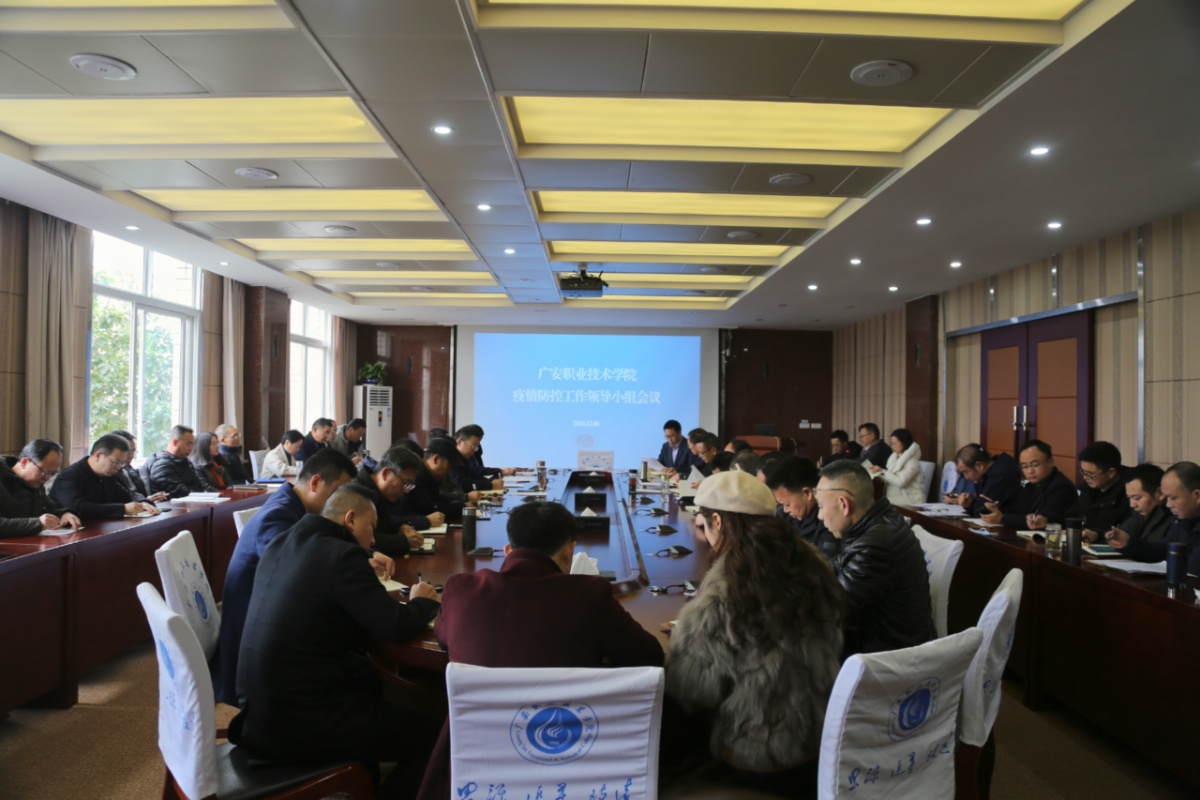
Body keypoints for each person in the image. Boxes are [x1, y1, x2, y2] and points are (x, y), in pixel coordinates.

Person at [419, 501, 663, 800]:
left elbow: (444, 637)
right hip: (568, 767)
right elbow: (649, 657)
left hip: (474, 775)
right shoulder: (589, 595)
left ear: (507, 550)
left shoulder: (460, 589)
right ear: (569, 552)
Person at [229, 485, 440, 799]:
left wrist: (359, 566)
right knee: (436, 736)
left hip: (258, 714)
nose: (373, 541)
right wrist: (422, 601)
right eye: (371, 528)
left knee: (382, 692)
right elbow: (393, 625)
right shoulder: (342, 556)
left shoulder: (283, 542)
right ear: (350, 519)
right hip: (302, 722)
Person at [666, 471, 842, 789]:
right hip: (819, 738)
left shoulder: (727, 587)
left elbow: (690, 689)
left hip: (753, 752)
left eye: (704, 520)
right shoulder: (814, 563)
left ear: (717, 521)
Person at [217, 448, 364, 706]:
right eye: (338, 494)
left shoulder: (296, 508)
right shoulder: (278, 515)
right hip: (254, 645)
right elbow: (296, 572)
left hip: (271, 625)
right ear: (315, 482)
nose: (343, 504)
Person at [815, 460, 936, 656]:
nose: (820, 516)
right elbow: (837, 565)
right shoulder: (881, 519)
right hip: (885, 642)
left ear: (844, 504)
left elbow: (833, 614)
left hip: (892, 658)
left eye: (821, 507)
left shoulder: (875, 545)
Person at [1108, 461, 1200, 576]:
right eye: (1167, 498)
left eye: (1173, 498)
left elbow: (1193, 567)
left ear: (1197, 495)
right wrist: (1129, 543)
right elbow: (1160, 551)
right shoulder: (1182, 521)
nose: (1168, 504)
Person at [48, 434, 159, 519]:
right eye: (115, 462)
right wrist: (123, 509)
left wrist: (143, 503)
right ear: (98, 455)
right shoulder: (69, 476)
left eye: (121, 464)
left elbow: (126, 495)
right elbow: (77, 508)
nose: (118, 468)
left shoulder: (107, 474)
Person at [980, 440, 1077, 530]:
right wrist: (997, 510)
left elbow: (1039, 522)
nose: (1030, 471)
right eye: (1025, 466)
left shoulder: (1061, 487)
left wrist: (1003, 518)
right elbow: (1018, 510)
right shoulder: (1032, 485)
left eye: (1035, 465)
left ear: (1050, 462)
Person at [352, 445, 427, 557]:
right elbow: (363, 539)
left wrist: (401, 526)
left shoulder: (378, 491)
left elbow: (384, 524)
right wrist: (403, 541)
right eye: (405, 483)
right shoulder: (357, 492)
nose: (406, 490)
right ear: (386, 473)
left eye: (410, 485)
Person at [764, 456, 840, 562]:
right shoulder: (786, 515)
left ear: (807, 493)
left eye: (788, 504)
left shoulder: (829, 522)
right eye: (782, 504)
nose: (785, 510)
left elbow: (825, 565)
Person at [0, 439, 82, 535]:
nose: (47, 478)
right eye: (45, 472)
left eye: (52, 474)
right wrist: (38, 523)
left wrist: (64, 514)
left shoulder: (34, 482)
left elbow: (50, 507)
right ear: (24, 462)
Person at [1067, 441, 1131, 539]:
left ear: (1111, 472)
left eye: (1090, 474)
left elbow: (1127, 532)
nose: (1084, 477)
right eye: (1082, 472)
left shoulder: (1130, 496)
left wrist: (1097, 535)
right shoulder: (1086, 490)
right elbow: (1071, 516)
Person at [401, 437, 468, 522]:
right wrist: (462, 507)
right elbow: (428, 508)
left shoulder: (429, 476)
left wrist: (460, 503)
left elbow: (436, 498)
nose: (449, 472)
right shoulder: (417, 475)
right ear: (436, 459)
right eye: (449, 466)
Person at [945, 443, 1021, 514]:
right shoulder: (991, 468)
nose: (966, 477)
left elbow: (983, 511)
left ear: (979, 466)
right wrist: (967, 502)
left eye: (966, 472)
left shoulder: (1000, 476)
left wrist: (968, 505)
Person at [1105, 464, 1172, 544]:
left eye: (1137, 498)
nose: (1132, 505)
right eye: (1129, 498)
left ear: (1160, 493)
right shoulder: (1140, 514)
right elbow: (1124, 532)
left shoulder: (1174, 519)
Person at [866, 428, 925, 505]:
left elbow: (901, 482)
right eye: (892, 444)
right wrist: (879, 476)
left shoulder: (913, 462)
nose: (893, 446)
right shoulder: (895, 459)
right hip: (897, 501)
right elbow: (892, 478)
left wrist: (883, 471)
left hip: (910, 502)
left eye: (895, 443)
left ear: (904, 443)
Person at [111, 429, 168, 503]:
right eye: (128, 452)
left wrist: (148, 499)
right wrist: (143, 501)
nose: (131, 456)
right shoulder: (110, 474)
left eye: (133, 452)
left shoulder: (130, 470)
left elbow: (138, 496)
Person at [146, 425, 202, 498]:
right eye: (188, 444)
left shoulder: (186, 462)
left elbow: (200, 487)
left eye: (192, 445)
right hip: (171, 503)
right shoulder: (161, 466)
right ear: (175, 442)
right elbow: (179, 492)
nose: (191, 448)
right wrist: (201, 496)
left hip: (192, 501)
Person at [450, 426, 503, 492]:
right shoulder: (451, 458)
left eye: (476, 447)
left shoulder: (463, 459)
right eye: (473, 445)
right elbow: (460, 483)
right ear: (459, 442)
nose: (475, 450)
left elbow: (473, 476)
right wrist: (490, 484)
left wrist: (492, 482)